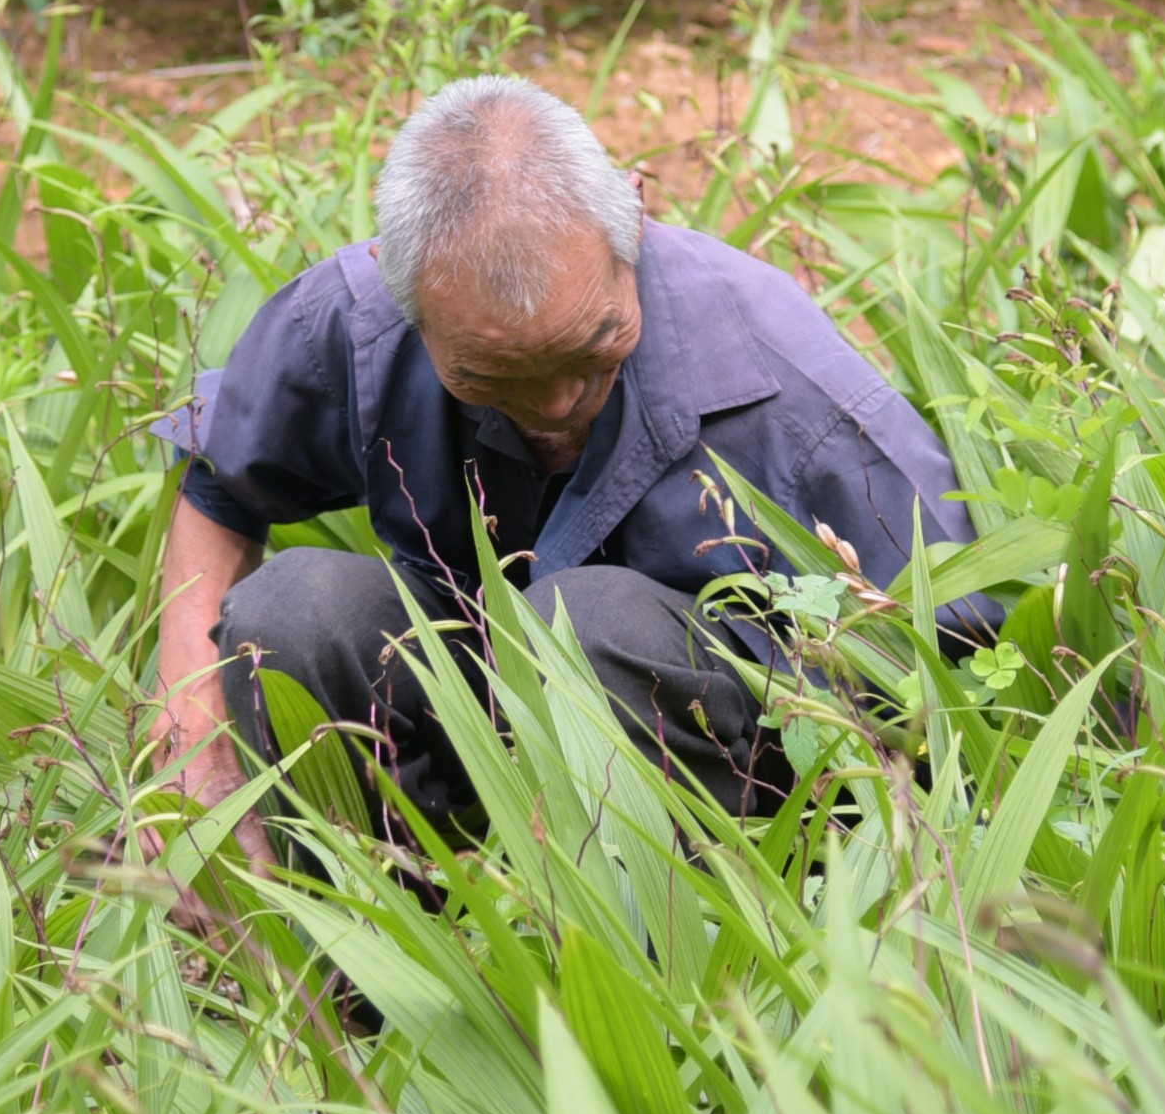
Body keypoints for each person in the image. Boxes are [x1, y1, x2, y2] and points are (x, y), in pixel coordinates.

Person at [150, 76, 988, 849]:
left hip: (731, 770)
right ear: (395, 288)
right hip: (478, 706)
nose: (555, 404)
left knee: (584, 626)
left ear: (634, 218)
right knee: (293, 609)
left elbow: (961, 659)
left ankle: (661, 956)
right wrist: (193, 742)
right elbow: (220, 484)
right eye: (489, 375)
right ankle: (371, 937)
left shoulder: (791, 388)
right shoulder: (358, 319)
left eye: (596, 345)